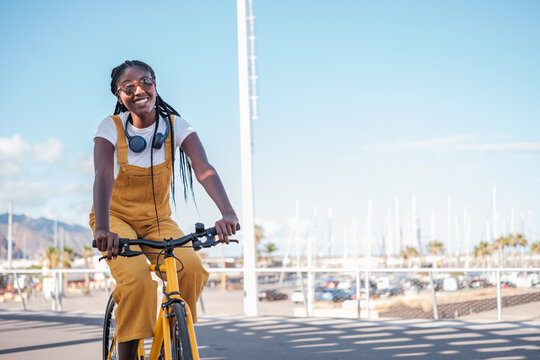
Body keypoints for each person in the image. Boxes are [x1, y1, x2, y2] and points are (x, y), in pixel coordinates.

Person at [90, 60, 238, 360]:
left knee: (191, 268)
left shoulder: (176, 126)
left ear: (155, 84)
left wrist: (228, 212)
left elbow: (204, 169)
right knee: (136, 282)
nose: (139, 91)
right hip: (115, 218)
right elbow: (103, 175)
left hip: (158, 220)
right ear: (120, 96)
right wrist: (104, 229)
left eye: (145, 82)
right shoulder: (111, 127)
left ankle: (174, 337)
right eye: (128, 88)